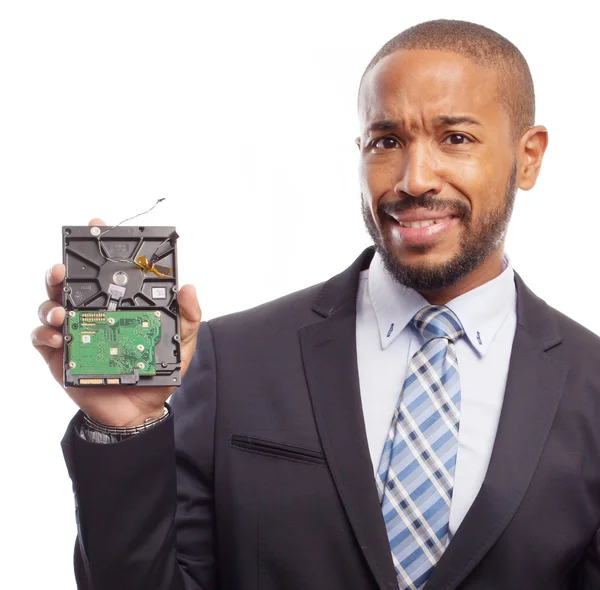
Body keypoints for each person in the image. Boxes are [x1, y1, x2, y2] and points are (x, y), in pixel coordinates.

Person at [32, 19, 600, 590]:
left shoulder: (592, 387)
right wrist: (126, 430)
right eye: (387, 141)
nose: (415, 178)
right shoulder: (232, 359)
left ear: (528, 157)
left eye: (455, 138)